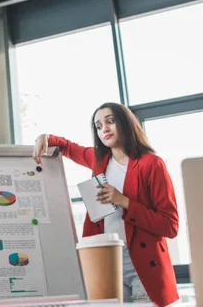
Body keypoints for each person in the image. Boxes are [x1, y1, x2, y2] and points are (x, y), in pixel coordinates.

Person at [33, 102, 179, 307]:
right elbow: (66, 147)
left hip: (143, 263)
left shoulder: (151, 164)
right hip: (105, 259)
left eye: (110, 122)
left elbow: (170, 226)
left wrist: (124, 201)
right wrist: (45, 138)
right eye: (99, 126)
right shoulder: (98, 160)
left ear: (126, 124)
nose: (105, 129)